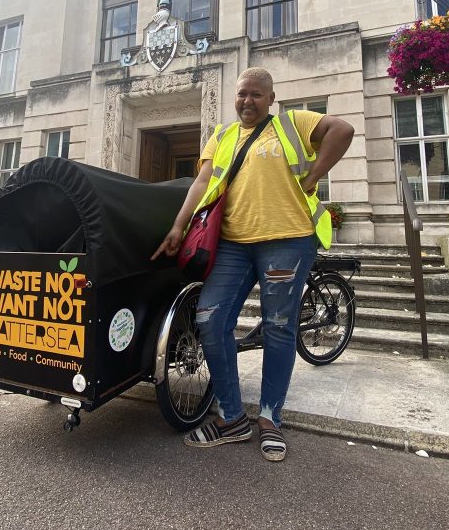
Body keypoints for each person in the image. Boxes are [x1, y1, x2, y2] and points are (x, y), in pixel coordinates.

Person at [152, 67, 354, 461]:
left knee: (279, 327)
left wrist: (314, 176)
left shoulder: (294, 124)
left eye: (257, 95)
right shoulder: (223, 135)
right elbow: (201, 182)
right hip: (232, 245)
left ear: (271, 98)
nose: (248, 101)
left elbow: (342, 131)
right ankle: (231, 417)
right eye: (243, 94)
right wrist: (179, 226)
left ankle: (269, 418)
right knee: (210, 318)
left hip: (288, 242)